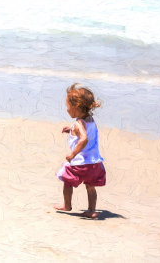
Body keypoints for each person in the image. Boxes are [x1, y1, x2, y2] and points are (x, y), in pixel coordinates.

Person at [54, 83, 106, 219]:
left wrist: (72, 154)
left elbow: (83, 139)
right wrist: (70, 130)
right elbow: (82, 131)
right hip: (95, 163)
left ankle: (67, 205)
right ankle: (92, 210)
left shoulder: (78, 123)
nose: (67, 110)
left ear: (76, 107)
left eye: (68, 107)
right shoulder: (90, 120)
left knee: (67, 179)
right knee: (90, 185)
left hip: (81, 163)